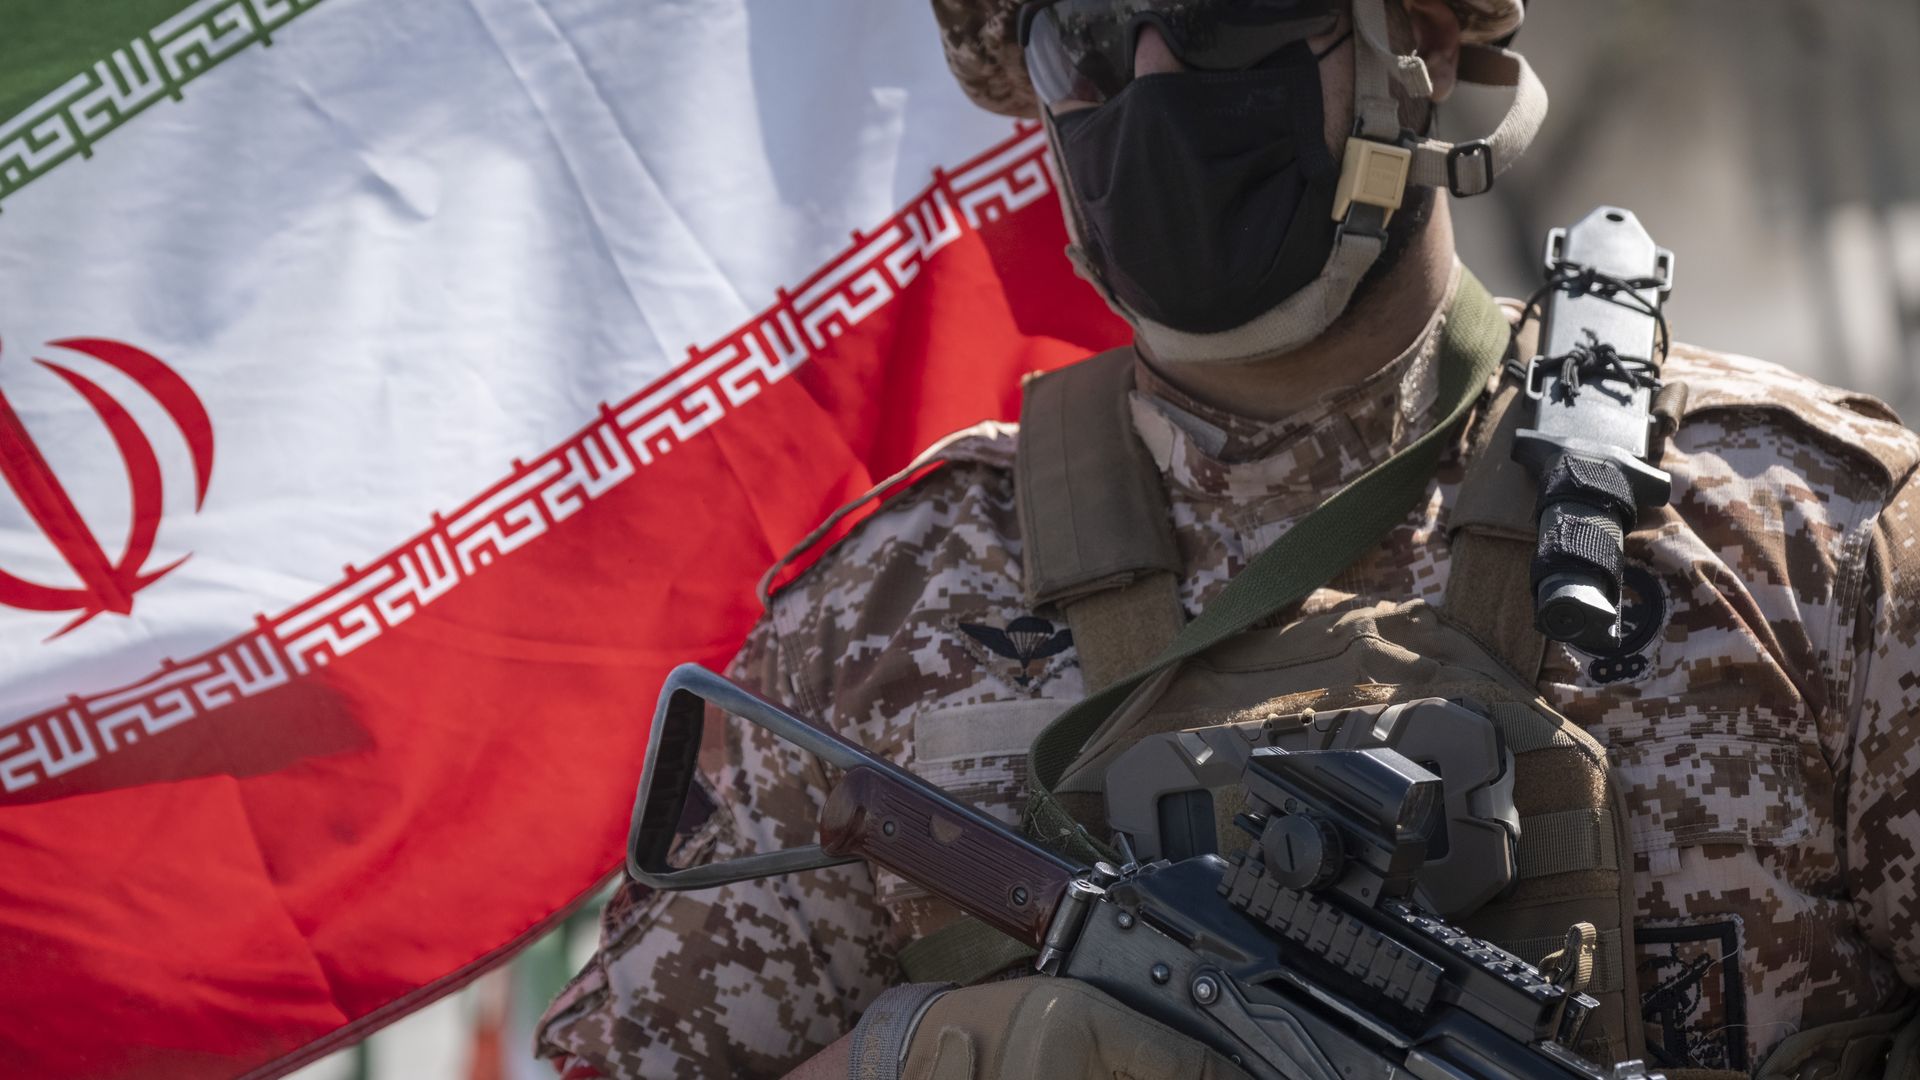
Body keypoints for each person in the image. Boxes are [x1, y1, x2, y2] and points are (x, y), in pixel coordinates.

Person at [535, 1, 1920, 1077]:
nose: (1151, 82)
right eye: (1081, 38)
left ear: (1417, 46)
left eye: (1226, 19)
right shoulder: (885, 616)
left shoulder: (1806, 547)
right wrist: (939, 1054)